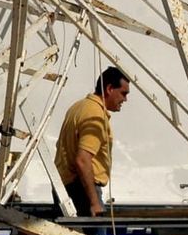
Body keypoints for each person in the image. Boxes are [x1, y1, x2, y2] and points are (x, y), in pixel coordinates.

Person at [53, 66, 131, 217]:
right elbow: (83, 160)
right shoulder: (95, 114)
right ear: (109, 89)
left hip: (64, 187)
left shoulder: (78, 107)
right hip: (82, 190)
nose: (125, 99)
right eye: (123, 93)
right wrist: (94, 202)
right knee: (95, 233)